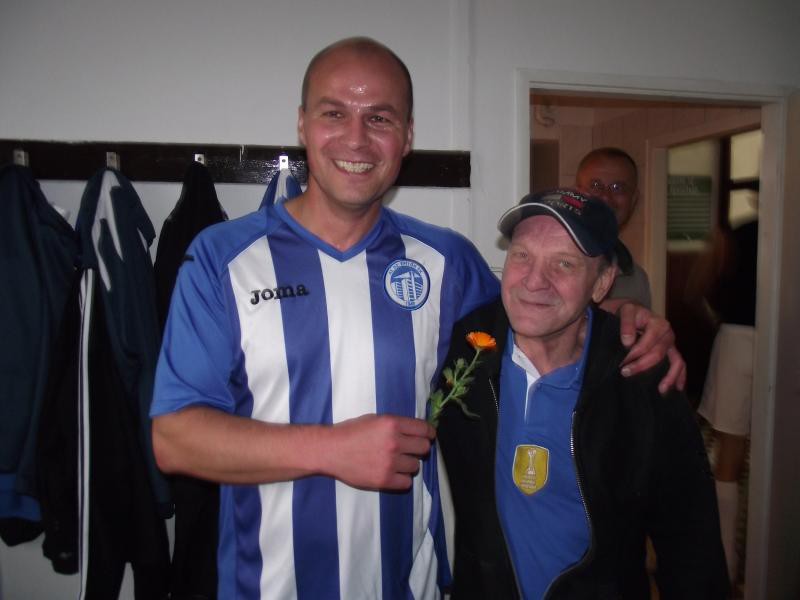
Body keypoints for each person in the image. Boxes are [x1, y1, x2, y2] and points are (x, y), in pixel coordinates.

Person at [150, 38, 682, 599]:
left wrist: (619, 313)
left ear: (406, 136)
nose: (357, 138)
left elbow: (539, 313)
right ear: (303, 124)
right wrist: (332, 450)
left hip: (411, 586)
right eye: (334, 113)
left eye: (379, 118)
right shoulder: (223, 258)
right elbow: (174, 439)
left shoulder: (446, 261)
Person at [437, 188, 729, 599]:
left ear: (602, 282)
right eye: (522, 255)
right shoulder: (462, 348)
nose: (534, 281)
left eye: (564, 263)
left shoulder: (641, 376)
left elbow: (691, 541)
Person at [696, 215, 759, 585]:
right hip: (776, 333)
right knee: (774, 454)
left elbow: (701, 289)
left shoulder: (736, 233)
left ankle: (726, 564)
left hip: (738, 336)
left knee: (730, 456)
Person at [576, 147, 652, 311]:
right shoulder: (546, 256)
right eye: (595, 185)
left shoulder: (637, 279)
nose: (605, 197)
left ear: (633, 200)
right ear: (577, 194)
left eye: (618, 188)